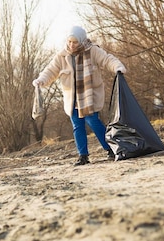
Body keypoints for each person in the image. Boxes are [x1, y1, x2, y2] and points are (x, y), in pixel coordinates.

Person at [32, 26, 126, 166]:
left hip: (89, 97)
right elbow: (50, 70)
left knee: (92, 121)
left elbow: (107, 60)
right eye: (70, 41)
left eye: (75, 42)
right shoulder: (62, 56)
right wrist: (41, 80)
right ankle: (83, 156)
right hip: (72, 99)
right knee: (77, 126)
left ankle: (111, 149)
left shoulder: (92, 50)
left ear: (82, 40)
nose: (72, 45)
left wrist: (118, 67)